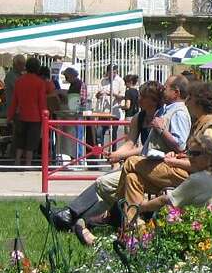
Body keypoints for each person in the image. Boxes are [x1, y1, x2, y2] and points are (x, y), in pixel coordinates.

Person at [41, 80, 164, 234]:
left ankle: (70, 216)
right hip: (137, 163)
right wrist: (116, 154)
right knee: (106, 187)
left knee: (104, 183)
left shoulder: (161, 118)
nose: (138, 99)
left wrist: (121, 155)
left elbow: (146, 149)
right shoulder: (139, 117)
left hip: (149, 165)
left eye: (143, 97)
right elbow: (130, 142)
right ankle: (73, 219)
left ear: (153, 100)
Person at [122, 80, 212, 218]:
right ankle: (134, 227)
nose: (186, 102)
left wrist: (172, 161)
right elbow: (196, 156)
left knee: (131, 162)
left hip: (197, 178)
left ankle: (115, 209)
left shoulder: (211, 128)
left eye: (189, 97)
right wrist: (180, 156)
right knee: (132, 178)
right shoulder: (202, 123)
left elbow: (205, 164)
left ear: (198, 102)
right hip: (188, 173)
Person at [7, 57, 49, 167]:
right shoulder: (40, 83)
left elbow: (14, 101)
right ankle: (28, 164)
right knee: (31, 142)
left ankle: (17, 162)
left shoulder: (19, 81)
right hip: (35, 117)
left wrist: (10, 117)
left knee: (20, 141)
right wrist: (45, 117)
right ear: (37, 68)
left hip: (21, 115)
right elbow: (42, 102)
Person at [0, 54, 26, 119]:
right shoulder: (11, 76)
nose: (24, 67)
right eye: (22, 64)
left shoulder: (20, 75)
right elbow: (20, 90)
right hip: (15, 110)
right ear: (17, 64)